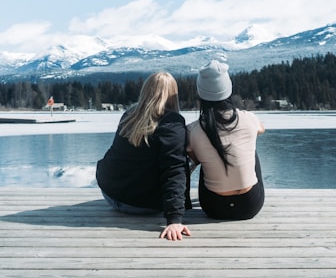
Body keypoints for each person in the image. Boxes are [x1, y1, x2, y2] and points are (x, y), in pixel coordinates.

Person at [96, 71, 192, 241]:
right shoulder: (172, 124)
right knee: (182, 162)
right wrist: (175, 219)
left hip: (111, 194)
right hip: (141, 205)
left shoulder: (129, 116)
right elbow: (174, 171)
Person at [187, 60, 265, 220]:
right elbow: (261, 129)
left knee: (206, 154)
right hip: (249, 206)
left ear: (201, 93)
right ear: (228, 89)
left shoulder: (193, 130)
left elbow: (190, 155)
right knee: (250, 149)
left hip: (213, 208)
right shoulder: (248, 118)